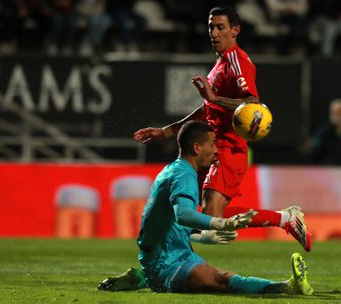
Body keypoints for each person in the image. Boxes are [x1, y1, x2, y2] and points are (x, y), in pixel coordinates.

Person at [132, 5, 311, 250]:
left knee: (208, 225)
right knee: (210, 218)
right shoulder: (219, 64)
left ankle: (180, 257)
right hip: (211, 146)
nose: (214, 33)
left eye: (220, 27)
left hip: (229, 146)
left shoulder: (238, 60)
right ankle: (284, 218)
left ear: (235, 30)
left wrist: (215, 98)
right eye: (211, 27)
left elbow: (253, 103)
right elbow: (208, 109)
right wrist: (166, 131)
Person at [100, 121, 314, 295]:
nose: (215, 149)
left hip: (176, 253)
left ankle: (140, 277)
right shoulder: (183, 175)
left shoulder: (178, 170)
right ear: (196, 147)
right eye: (212, 143)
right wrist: (222, 223)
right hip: (166, 263)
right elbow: (183, 215)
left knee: (218, 279)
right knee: (221, 281)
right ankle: (288, 287)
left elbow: (169, 222)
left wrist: (202, 237)